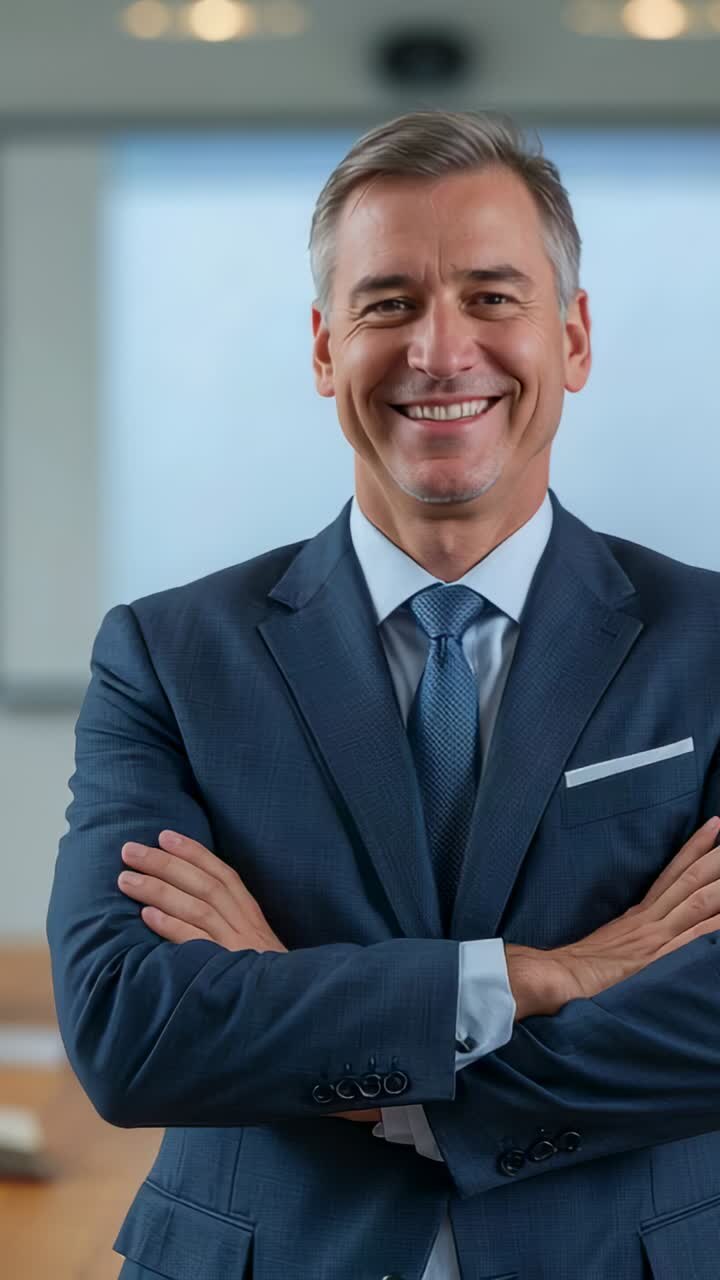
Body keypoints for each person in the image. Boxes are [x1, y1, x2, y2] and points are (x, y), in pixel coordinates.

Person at [46, 109, 720, 1280]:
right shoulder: (166, 654)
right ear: (325, 349)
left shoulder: (709, 642)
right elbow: (129, 1025)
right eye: (389, 302)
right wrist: (536, 975)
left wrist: (391, 1081)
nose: (440, 351)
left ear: (573, 337)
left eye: (492, 296)